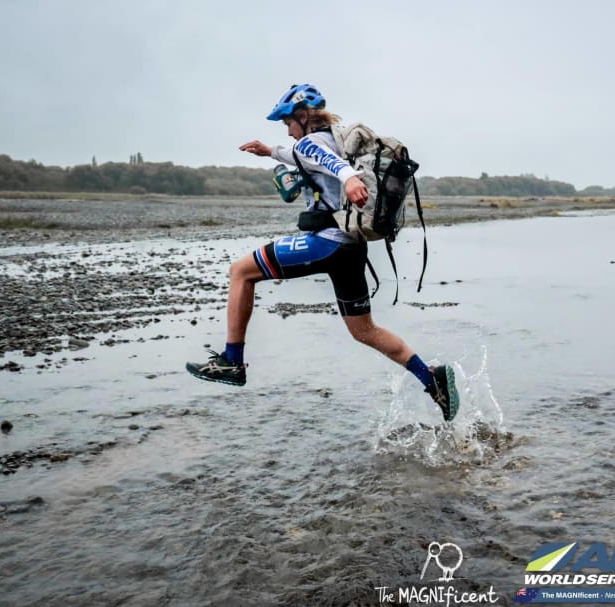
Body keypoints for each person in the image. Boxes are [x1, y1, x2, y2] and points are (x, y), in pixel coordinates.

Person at [185, 84, 458, 421]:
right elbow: (305, 156)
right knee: (364, 330)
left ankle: (232, 361)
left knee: (241, 271)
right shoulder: (332, 139)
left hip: (326, 243)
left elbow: (325, 161)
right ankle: (431, 380)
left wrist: (349, 179)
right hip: (351, 248)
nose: (288, 130)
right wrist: (270, 151)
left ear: (303, 117)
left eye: (288, 123)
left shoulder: (315, 144)